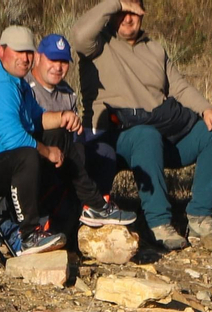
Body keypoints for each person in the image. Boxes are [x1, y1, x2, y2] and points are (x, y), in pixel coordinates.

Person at [0, 26, 132, 258]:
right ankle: (28, 235)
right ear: (1, 51)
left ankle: (94, 205)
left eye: (29, 52)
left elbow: (37, 118)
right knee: (28, 155)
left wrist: (61, 117)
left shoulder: (16, 82)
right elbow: (14, 140)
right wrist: (48, 152)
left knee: (59, 134)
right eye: (19, 52)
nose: (25, 58)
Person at [69, 0, 212, 250]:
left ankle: (200, 216)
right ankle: (158, 223)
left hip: (158, 135)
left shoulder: (155, 49)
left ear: (143, 13)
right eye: (121, 13)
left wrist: (207, 109)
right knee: (146, 136)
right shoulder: (98, 44)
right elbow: (79, 34)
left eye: (133, 12)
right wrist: (116, 3)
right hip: (112, 138)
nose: (127, 18)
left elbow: (178, 86)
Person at [26, 33, 132, 225]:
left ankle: (93, 209)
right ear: (38, 57)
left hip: (67, 154)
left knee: (103, 150)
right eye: (53, 59)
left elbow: (77, 136)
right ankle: (89, 206)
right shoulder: (25, 87)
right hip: (37, 154)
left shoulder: (67, 93)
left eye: (64, 62)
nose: (58, 67)